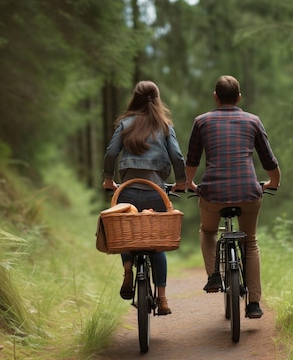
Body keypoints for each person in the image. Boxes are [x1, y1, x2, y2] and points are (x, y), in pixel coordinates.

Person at [185, 75, 281, 319]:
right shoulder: (253, 121)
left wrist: (190, 184)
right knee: (250, 241)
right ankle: (254, 304)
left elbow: (192, 160)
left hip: (213, 193)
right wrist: (273, 183)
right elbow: (269, 160)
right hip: (248, 191)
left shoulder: (201, 122)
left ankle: (214, 275)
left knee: (208, 231)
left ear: (215, 96)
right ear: (238, 98)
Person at [103, 80, 187, 315]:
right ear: (157, 99)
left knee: (125, 233)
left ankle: (128, 269)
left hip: (127, 191)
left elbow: (111, 153)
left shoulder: (125, 124)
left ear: (135, 98)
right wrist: (181, 182)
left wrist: (109, 179)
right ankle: (162, 299)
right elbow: (177, 156)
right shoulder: (164, 125)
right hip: (156, 193)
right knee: (156, 243)